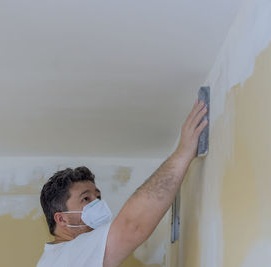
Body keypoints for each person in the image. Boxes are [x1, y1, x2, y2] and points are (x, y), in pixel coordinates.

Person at [36, 100, 208, 267]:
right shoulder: (70, 255)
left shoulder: (56, 259)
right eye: (86, 199)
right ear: (61, 218)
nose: (97, 203)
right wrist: (183, 152)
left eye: (98, 196)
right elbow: (132, 226)